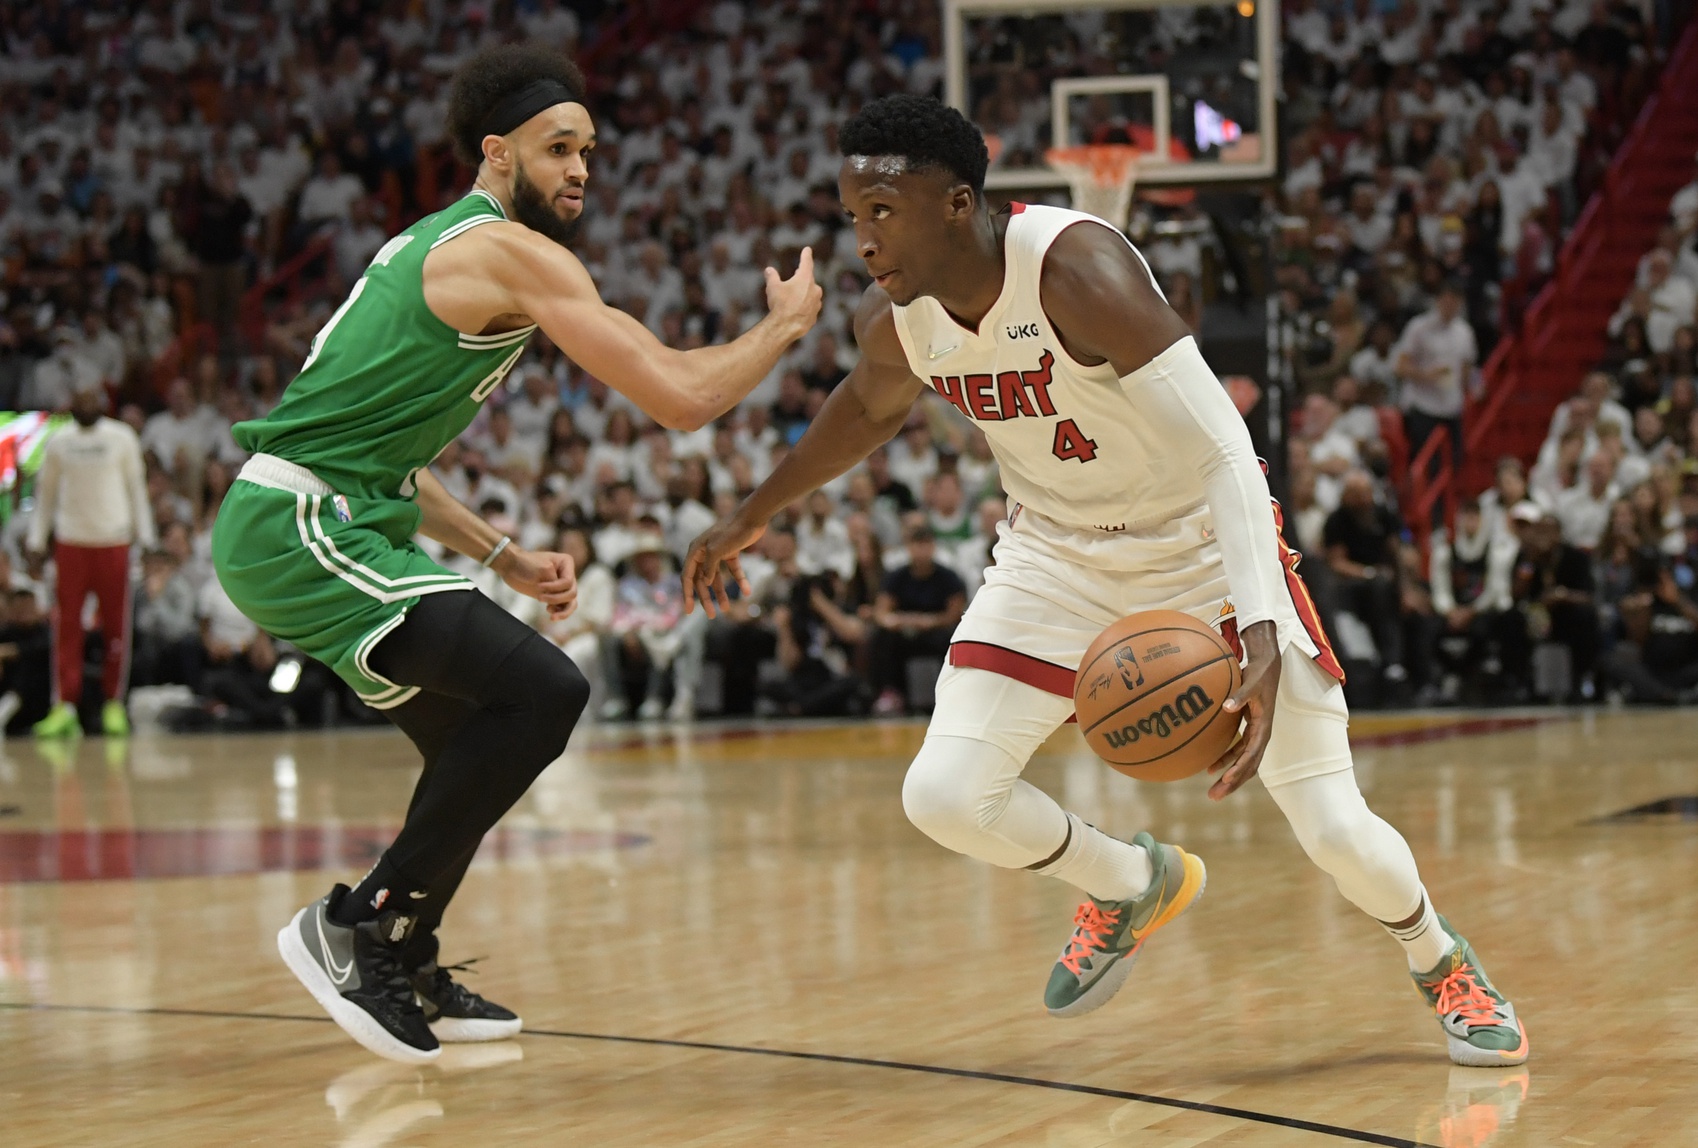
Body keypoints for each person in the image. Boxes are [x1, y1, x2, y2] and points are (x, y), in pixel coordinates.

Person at [683, 95, 1526, 1068]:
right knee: (946, 793)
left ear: (958, 203)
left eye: (885, 213)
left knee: (1335, 829)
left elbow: (1225, 449)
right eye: (852, 218)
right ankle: (1131, 880)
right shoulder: (900, 320)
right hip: (1055, 558)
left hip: (1204, 552)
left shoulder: (1079, 270)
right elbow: (866, 411)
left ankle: (1440, 957)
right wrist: (751, 512)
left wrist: (1257, 624)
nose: (865, 240)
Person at [211, 45, 819, 1064]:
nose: (581, 167)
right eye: (557, 148)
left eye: (588, 150)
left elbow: (387, 458)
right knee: (543, 690)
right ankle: (359, 927)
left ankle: (405, 953)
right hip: (299, 525)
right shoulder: (508, 251)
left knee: (474, 743)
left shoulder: (447, 246)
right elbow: (681, 397)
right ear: (497, 153)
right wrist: (783, 327)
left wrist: (501, 552)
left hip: (329, 515)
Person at [27, 382, 155, 739]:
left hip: (114, 541)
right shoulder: (59, 442)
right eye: (80, 397)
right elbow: (46, 494)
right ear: (72, 403)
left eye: (92, 397)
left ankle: (114, 703)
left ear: (102, 402)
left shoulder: (122, 438)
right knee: (66, 627)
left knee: (117, 626)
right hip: (71, 542)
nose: (87, 402)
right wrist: (38, 540)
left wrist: (146, 538)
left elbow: (136, 489)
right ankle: (64, 706)